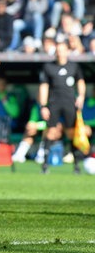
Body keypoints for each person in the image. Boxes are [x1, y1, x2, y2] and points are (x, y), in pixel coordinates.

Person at [38, 38, 86, 174]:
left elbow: (81, 82)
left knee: (71, 133)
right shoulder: (48, 67)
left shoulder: (74, 66)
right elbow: (44, 87)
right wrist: (43, 105)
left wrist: (81, 96)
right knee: (50, 132)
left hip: (69, 103)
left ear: (67, 51)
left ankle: (76, 165)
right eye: (58, 51)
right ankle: (45, 165)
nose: (60, 53)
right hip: (54, 104)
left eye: (63, 50)